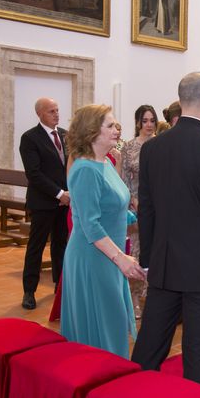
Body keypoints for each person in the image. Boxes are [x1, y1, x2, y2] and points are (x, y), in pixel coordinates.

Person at [132, 72, 200, 389]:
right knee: (197, 359)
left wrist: (149, 262)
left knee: (147, 353)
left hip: (164, 268)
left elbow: (148, 209)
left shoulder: (153, 149)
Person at [61, 105, 145, 358]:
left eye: (116, 124)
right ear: (91, 133)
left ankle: (110, 377)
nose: (117, 129)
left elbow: (113, 207)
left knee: (112, 320)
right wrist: (121, 259)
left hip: (108, 254)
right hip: (93, 257)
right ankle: (100, 381)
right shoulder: (86, 169)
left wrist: (139, 217)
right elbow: (90, 224)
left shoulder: (105, 163)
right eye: (110, 125)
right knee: (104, 323)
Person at [19, 98, 70, 310]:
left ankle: (60, 287)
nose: (56, 114)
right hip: (43, 202)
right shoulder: (30, 138)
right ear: (40, 114)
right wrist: (59, 193)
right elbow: (34, 174)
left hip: (65, 202)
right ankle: (29, 291)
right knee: (36, 247)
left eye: (57, 110)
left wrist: (68, 193)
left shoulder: (66, 135)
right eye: (51, 111)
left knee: (61, 246)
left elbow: (70, 165)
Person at [122, 105, 158, 319]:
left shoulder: (162, 144)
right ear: (138, 123)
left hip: (159, 204)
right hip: (136, 205)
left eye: (152, 120)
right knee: (136, 251)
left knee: (156, 251)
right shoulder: (129, 147)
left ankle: (152, 296)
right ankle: (135, 298)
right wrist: (132, 199)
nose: (149, 125)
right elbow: (125, 177)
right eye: (145, 120)